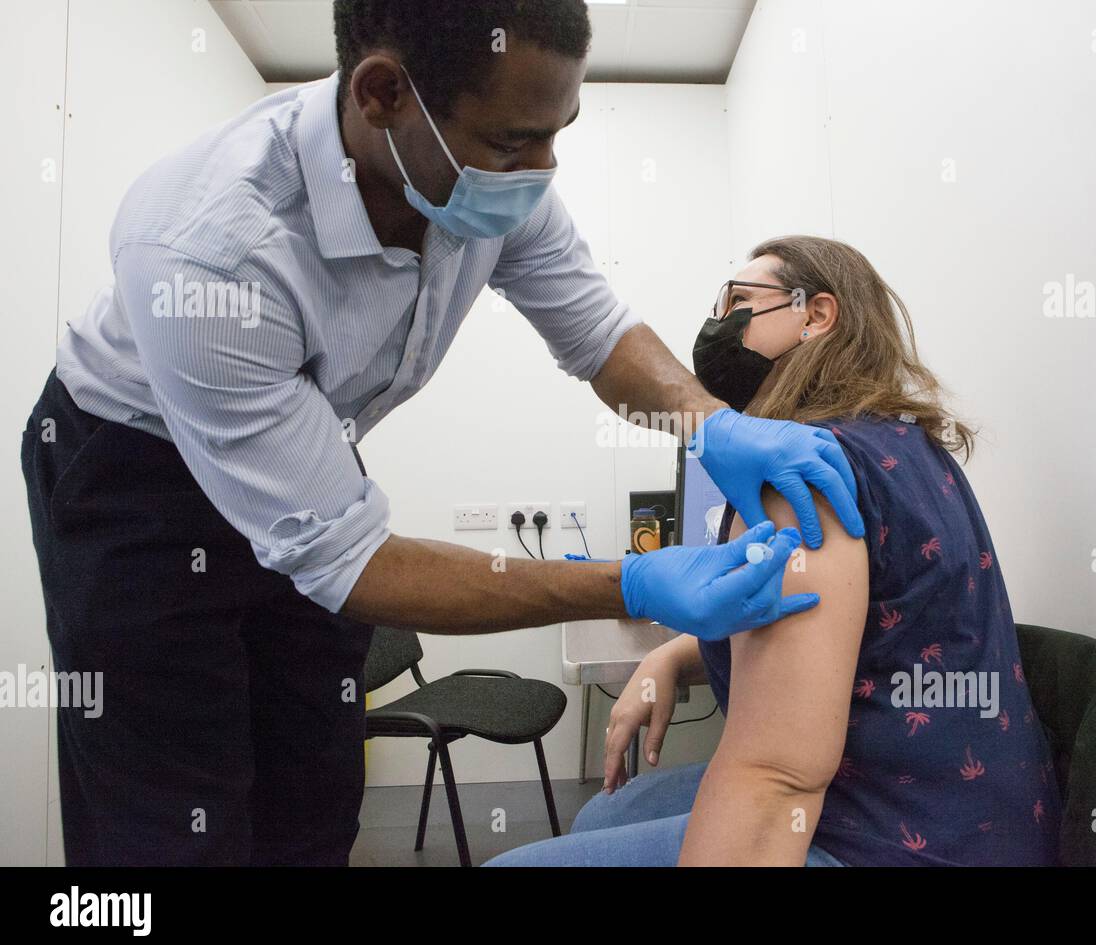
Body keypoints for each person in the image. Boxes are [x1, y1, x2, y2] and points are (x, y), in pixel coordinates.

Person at [20, 3, 864, 866]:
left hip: (304, 435)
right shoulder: (208, 246)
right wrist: (632, 584)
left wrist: (714, 428)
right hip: (133, 468)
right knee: (169, 818)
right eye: (510, 143)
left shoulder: (491, 182)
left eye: (557, 133)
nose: (540, 170)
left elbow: (597, 334)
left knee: (313, 785)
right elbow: (349, 563)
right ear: (384, 93)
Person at [484, 236, 1061, 866]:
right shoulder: (907, 444)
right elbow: (847, 631)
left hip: (895, 837)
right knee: (607, 812)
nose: (717, 324)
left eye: (738, 299)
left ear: (815, 315)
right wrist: (675, 658)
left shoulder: (799, 474)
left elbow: (778, 776)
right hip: (984, 814)